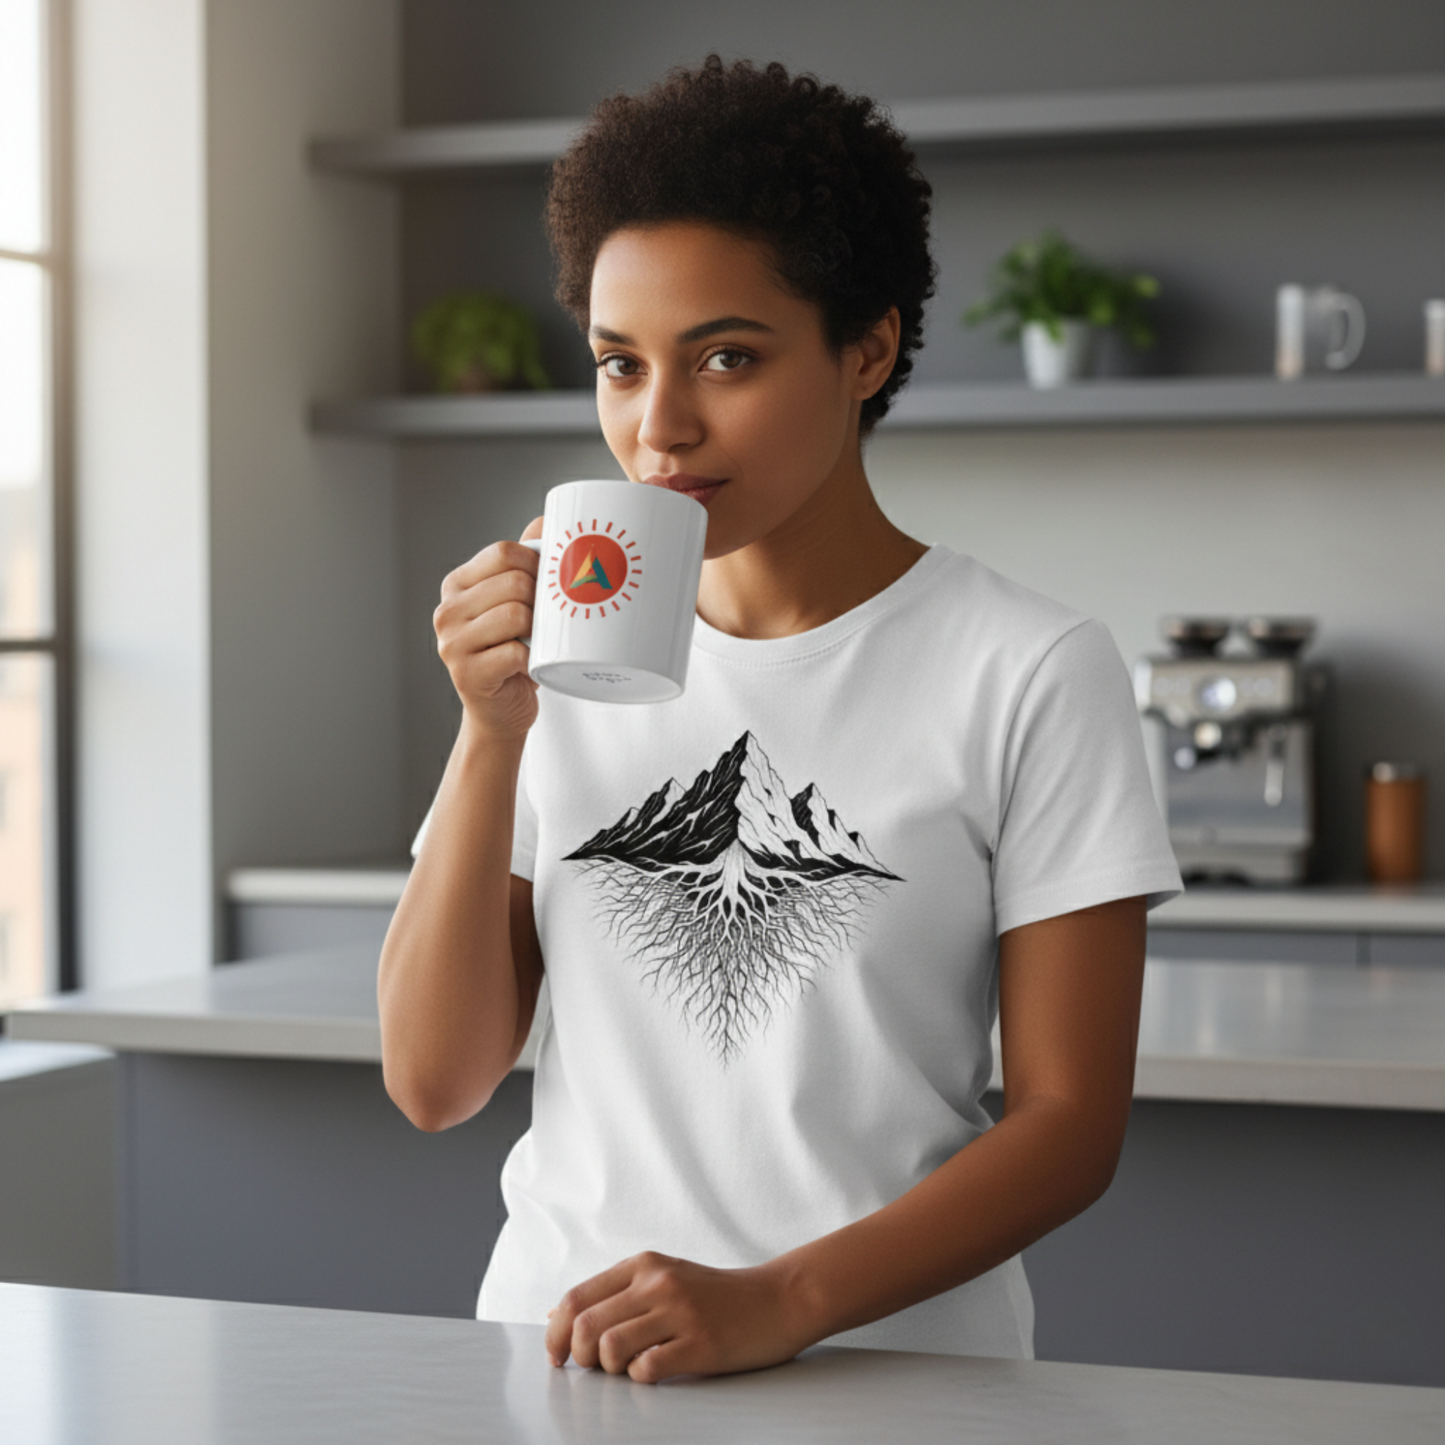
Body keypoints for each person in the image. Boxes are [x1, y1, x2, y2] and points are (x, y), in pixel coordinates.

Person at [378, 56, 1182, 1384]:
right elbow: (435, 1082)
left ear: (866, 349)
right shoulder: (564, 663)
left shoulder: (1030, 667)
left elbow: (1068, 1123)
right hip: (561, 1361)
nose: (659, 430)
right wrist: (488, 731)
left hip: (898, 1375)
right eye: (619, 366)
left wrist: (784, 1300)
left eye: (728, 358)